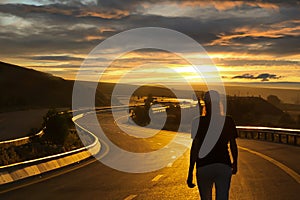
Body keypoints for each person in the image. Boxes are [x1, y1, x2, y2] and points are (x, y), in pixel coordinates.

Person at [187, 90, 238, 200]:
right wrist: (235, 163)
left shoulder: (197, 122)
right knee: (223, 196)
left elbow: (195, 148)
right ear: (219, 103)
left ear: (205, 104)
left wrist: (190, 171)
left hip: (204, 166)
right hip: (223, 164)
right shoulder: (228, 121)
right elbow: (233, 145)